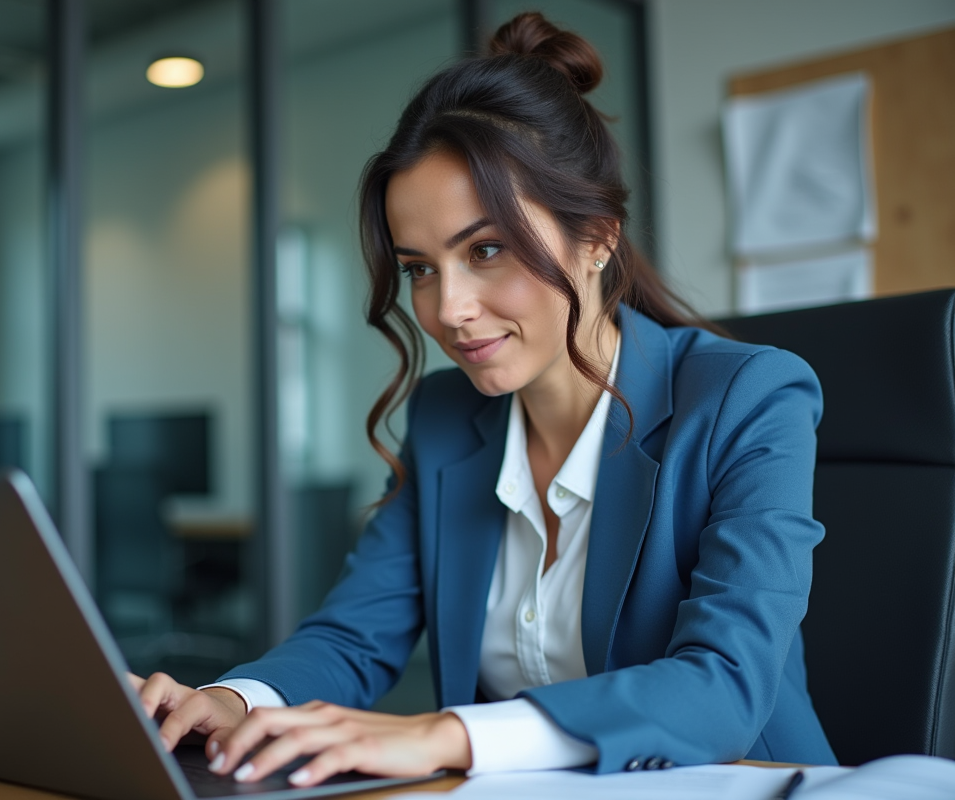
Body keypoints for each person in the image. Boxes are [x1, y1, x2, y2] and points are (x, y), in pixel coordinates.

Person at [129, 11, 838, 786]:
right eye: (420, 269)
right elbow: (355, 638)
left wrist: (444, 736)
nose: (448, 309)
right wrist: (238, 698)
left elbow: (724, 686)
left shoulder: (749, 397)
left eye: (486, 250)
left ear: (597, 237)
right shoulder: (445, 420)